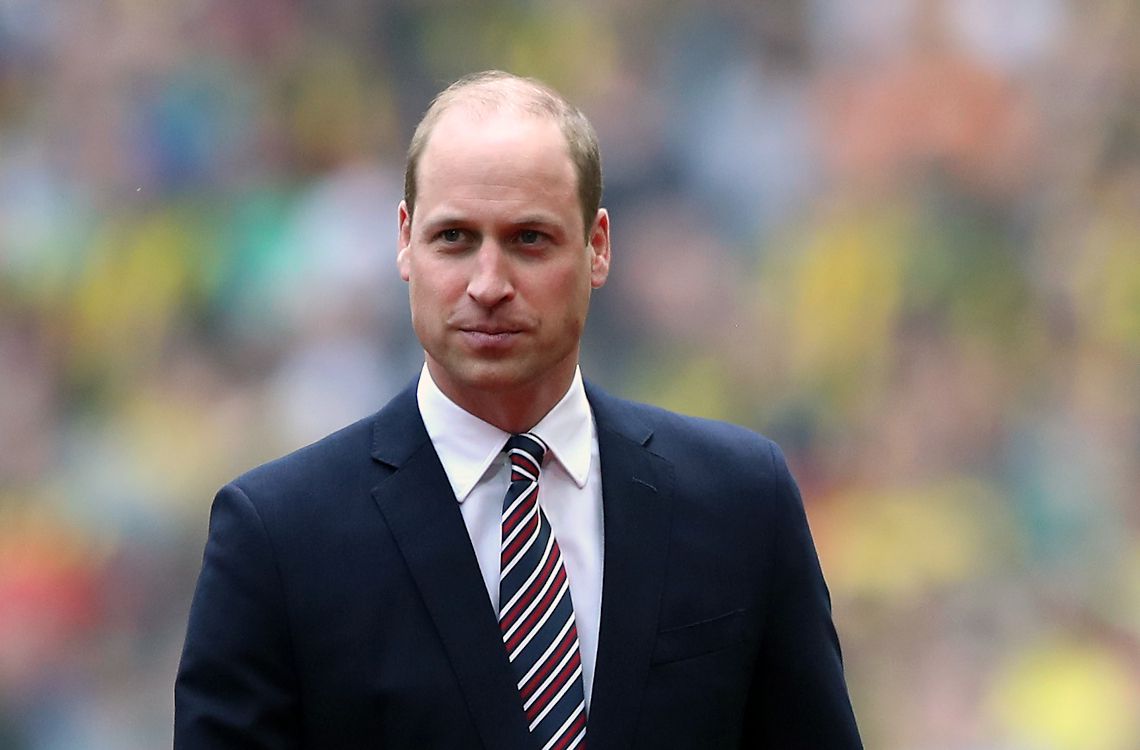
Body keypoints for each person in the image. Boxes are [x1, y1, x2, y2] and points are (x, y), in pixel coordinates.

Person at [175, 70, 862, 749]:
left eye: (529, 239)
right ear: (404, 241)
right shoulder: (278, 538)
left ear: (597, 246)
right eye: (455, 239)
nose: (489, 284)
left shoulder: (740, 502)